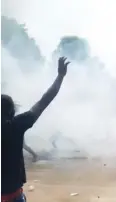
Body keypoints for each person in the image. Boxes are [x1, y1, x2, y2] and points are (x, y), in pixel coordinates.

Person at [1, 57, 70, 202]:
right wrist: (60, 76)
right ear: (11, 111)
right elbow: (43, 101)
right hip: (13, 196)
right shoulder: (15, 125)